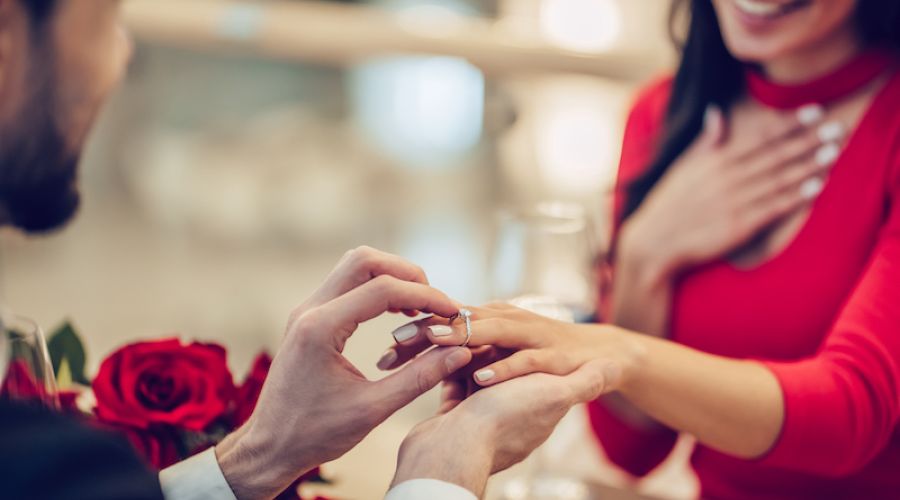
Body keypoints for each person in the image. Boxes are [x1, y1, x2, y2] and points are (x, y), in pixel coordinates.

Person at [0, 1, 621, 499]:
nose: (121, 56)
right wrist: (444, 469)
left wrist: (263, 452)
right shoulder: (41, 454)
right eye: (106, 17)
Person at [381, 0, 900, 498]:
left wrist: (613, 351)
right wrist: (644, 255)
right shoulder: (663, 111)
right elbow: (632, 448)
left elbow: (850, 418)